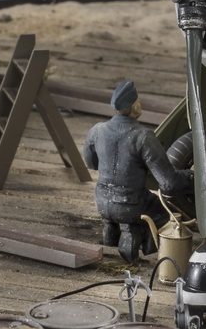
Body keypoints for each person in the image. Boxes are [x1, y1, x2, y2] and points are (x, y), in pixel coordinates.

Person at [82, 80, 191, 262]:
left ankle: (110, 239)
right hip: (130, 205)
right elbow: (169, 182)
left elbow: (91, 163)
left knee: (126, 209)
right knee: (168, 214)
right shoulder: (143, 136)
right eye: (138, 101)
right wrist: (192, 177)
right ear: (135, 106)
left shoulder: (97, 130)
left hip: (101, 200)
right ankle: (141, 246)